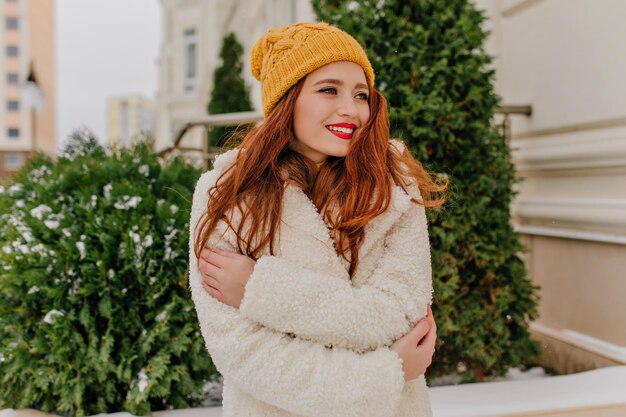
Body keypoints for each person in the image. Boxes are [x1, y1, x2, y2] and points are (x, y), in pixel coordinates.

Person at [188, 22, 446, 417]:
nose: (351, 109)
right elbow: (244, 352)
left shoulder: (393, 187)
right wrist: (385, 374)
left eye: (361, 95)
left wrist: (260, 289)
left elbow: (401, 316)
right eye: (329, 89)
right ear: (287, 100)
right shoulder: (225, 196)